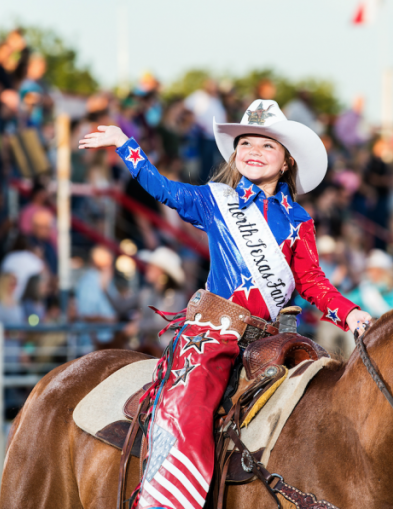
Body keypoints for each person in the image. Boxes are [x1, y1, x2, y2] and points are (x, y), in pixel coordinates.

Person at [79, 98, 371, 508]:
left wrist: (351, 313)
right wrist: (127, 145)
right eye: (246, 143)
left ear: (287, 161)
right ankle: (166, 499)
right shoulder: (216, 199)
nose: (253, 151)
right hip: (213, 332)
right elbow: (163, 189)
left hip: (273, 338)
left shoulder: (299, 220)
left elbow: (311, 281)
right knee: (189, 408)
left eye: (267, 145)